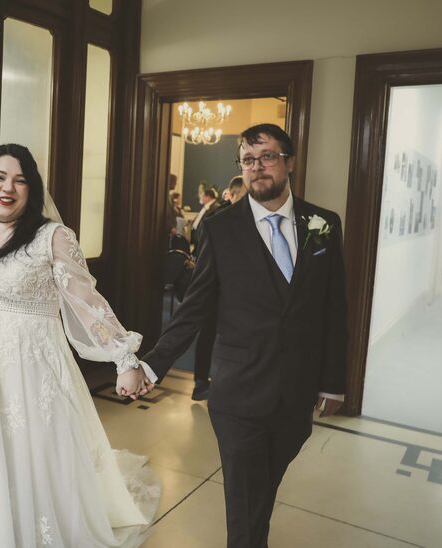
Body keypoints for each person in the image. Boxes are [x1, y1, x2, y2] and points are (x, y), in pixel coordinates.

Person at [0, 144, 159, 548]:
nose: (8, 187)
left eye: (20, 180)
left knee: (28, 465)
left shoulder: (51, 237)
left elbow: (87, 303)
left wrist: (124, 357)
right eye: (0, 177)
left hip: (30, 376)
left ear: (31, 189)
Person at [141, 124, 347, 547]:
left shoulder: (323, 225)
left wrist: (334, 381)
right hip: (239, 392)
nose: (257, 168)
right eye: (248, 160)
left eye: (267, 156)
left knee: (259, 492)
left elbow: (334, 308)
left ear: (289, 162)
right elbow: (195, 307)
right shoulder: (220, 228)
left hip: (296, 391)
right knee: (245, 500)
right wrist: (151, 363)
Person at [190, 175, 249, 401]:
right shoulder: (216, 219)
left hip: (238, 290)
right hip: (213, 286)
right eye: (243, 197)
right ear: (231, 194)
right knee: (208, 333)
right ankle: (200, 381)